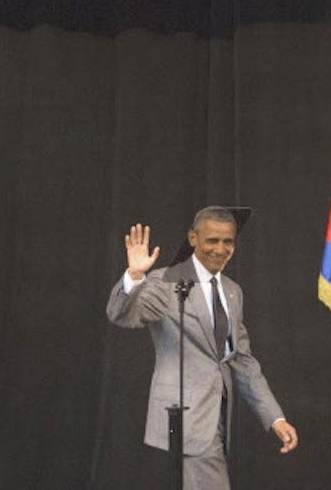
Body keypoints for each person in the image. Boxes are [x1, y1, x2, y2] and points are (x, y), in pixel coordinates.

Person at [107, 207, 298, 489]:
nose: (220, 249)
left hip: (218, 416)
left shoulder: (233, 291)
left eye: (228, 242)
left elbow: (241, 360)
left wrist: (274, 416)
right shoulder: (166, 281)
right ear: (193, 238)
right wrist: (134, 277)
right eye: (212, 240)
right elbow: (123, 315)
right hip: (185, 415)